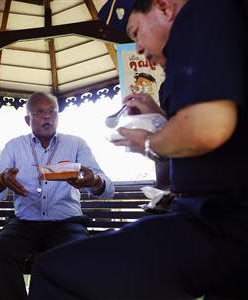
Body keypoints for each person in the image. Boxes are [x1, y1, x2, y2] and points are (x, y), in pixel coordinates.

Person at [28, 1, 248, 299]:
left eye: (136, 33)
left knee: (52, 271)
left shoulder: (201, 13)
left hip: (221, 223)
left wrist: (146, 141)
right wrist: (159, 119)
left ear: (164, 8)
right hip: (212, 220)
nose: (140, 48)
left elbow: (206, 128)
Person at [0, 92, 115, 300]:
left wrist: (94, 181)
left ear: (58, 116)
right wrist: (2, 178)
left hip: (66, 223)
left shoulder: (76, 144)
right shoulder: (15, 146)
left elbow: (108, 189)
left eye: (52, 111)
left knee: (73, 252)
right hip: (24, 223)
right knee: (0, 251)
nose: (47, 117)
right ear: (28, 119)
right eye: (40, 112)